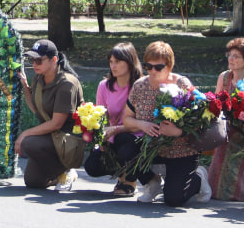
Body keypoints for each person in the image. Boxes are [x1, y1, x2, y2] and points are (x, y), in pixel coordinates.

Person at [114, 41, 211, 206]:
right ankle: (151, 183)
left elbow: (200, 121)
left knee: (174, 199)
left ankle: (199, 178)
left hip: (181, 150)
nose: (152, 71)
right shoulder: (139, 86)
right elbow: (127, 119)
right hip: (152, 146)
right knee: (122, 142)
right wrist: (141, 124)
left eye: (158, 67)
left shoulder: (182, 85)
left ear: (170, 65)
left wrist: (178, 132)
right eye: (148, 66)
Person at [14, 39, 84, 189]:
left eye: (39, 60)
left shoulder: (67, 84)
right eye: (32, 60)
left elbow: (57, 123)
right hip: (52, 136)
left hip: (68, 139)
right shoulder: (39, 78)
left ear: (54, 60)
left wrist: (24, 134)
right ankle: (58, 172)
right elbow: (38, 111)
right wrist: (26, 87)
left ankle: (66, 171)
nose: (34, 64)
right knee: (33, 182)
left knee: (28, 142)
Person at [207, 36, 244, 201]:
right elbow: (217, 104)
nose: (231, 59)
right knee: (222, 138)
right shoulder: (224, 77)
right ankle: (217, 189)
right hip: (228, 126)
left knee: (227, 141)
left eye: (236, 56)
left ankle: (237, 190)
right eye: (230, 55)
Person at [84, 42, 143, 196]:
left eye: (118, 62)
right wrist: (100, 138)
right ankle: (121, 173)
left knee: (125, 143)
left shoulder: (140, 86)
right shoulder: (104, 86)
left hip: (136, 136)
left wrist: (117, 129)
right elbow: (101, 116)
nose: (113, 66)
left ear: (130, 63)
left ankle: (130, 181)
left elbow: (144, 121)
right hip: (113, 136)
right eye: (111, 62)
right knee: (92, 166)